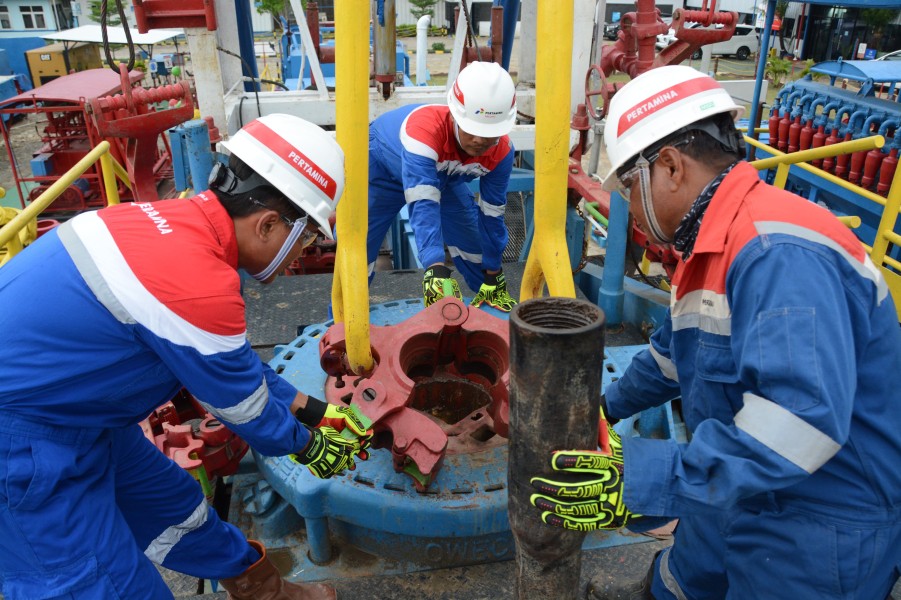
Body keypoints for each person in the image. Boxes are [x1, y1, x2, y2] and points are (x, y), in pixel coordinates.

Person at [528, 65, 901, 599]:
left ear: (672, 167)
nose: (630, 210)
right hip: (736, 478)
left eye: (630, 187)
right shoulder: (714, 243)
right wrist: (603, 408)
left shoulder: (777, 254)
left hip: (822, 516)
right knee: (682, 579)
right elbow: (675, 355)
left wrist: (641, 478)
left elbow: (800, 424)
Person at [0, 114, 372, 600]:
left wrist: (313, 409)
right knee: (100, 585)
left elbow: (227, 369)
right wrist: (308, 445)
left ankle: (263, 590)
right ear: (267, 224)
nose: (302, 253)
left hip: (76, 415)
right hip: (21, 446)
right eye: (305, 238)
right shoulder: (200, 286)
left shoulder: (174, 229)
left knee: (175, 508)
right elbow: (246, 410)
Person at [366, 60, 518, 311]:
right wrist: (435, 268)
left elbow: (493, 215)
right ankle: (344, 331)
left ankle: (492, 314)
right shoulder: (424, 133)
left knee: (474, 245)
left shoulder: (501, 153)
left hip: (444, 177)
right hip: (382, 172)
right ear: (455, 114)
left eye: (489, 132)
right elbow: (424, 204)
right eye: (471, 128)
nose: (479, 140)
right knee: (358, 255)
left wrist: (493, 271)